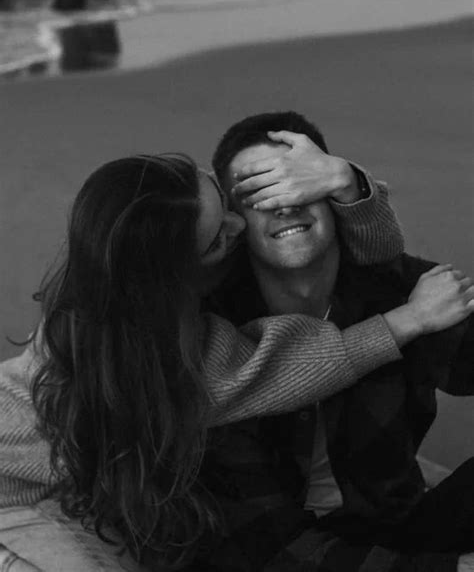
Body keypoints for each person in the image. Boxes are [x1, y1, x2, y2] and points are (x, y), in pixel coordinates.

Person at [0, 151, 471, 572]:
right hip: (15, 500)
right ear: (176, 279)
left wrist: (348, 183)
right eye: (216, 239)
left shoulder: (141, 260)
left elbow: (373, 261)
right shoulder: (166, 361)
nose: (239, 226)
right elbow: (288, 365)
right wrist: (408, 320)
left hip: (75, 472)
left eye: (223, 200)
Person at [195, 111, 474, 571]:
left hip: (394, 529)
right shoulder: (218, 333)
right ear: (234, 225)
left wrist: (349, 180)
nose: (286, 205)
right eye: (259, 194)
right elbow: (269, 550)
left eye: (301, 186)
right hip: (279, 553)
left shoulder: (395, 287)